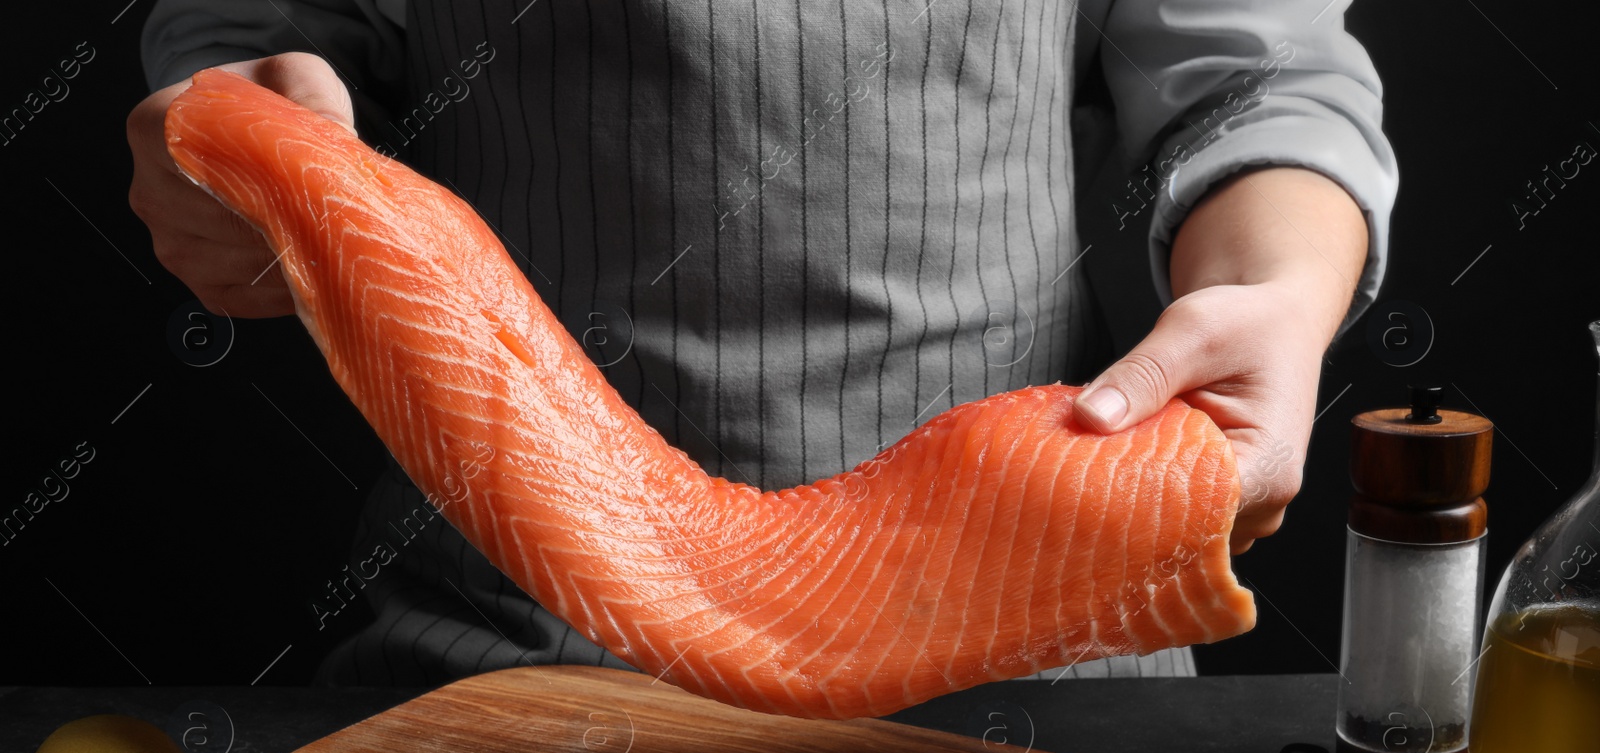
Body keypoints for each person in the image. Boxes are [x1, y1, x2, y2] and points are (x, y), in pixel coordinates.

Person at [128, 0, 1395, 685]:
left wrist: (1277, 291)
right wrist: (232, 142)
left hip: (1039, 664)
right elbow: (253, 41)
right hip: (503, 662)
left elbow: (1263, 79)